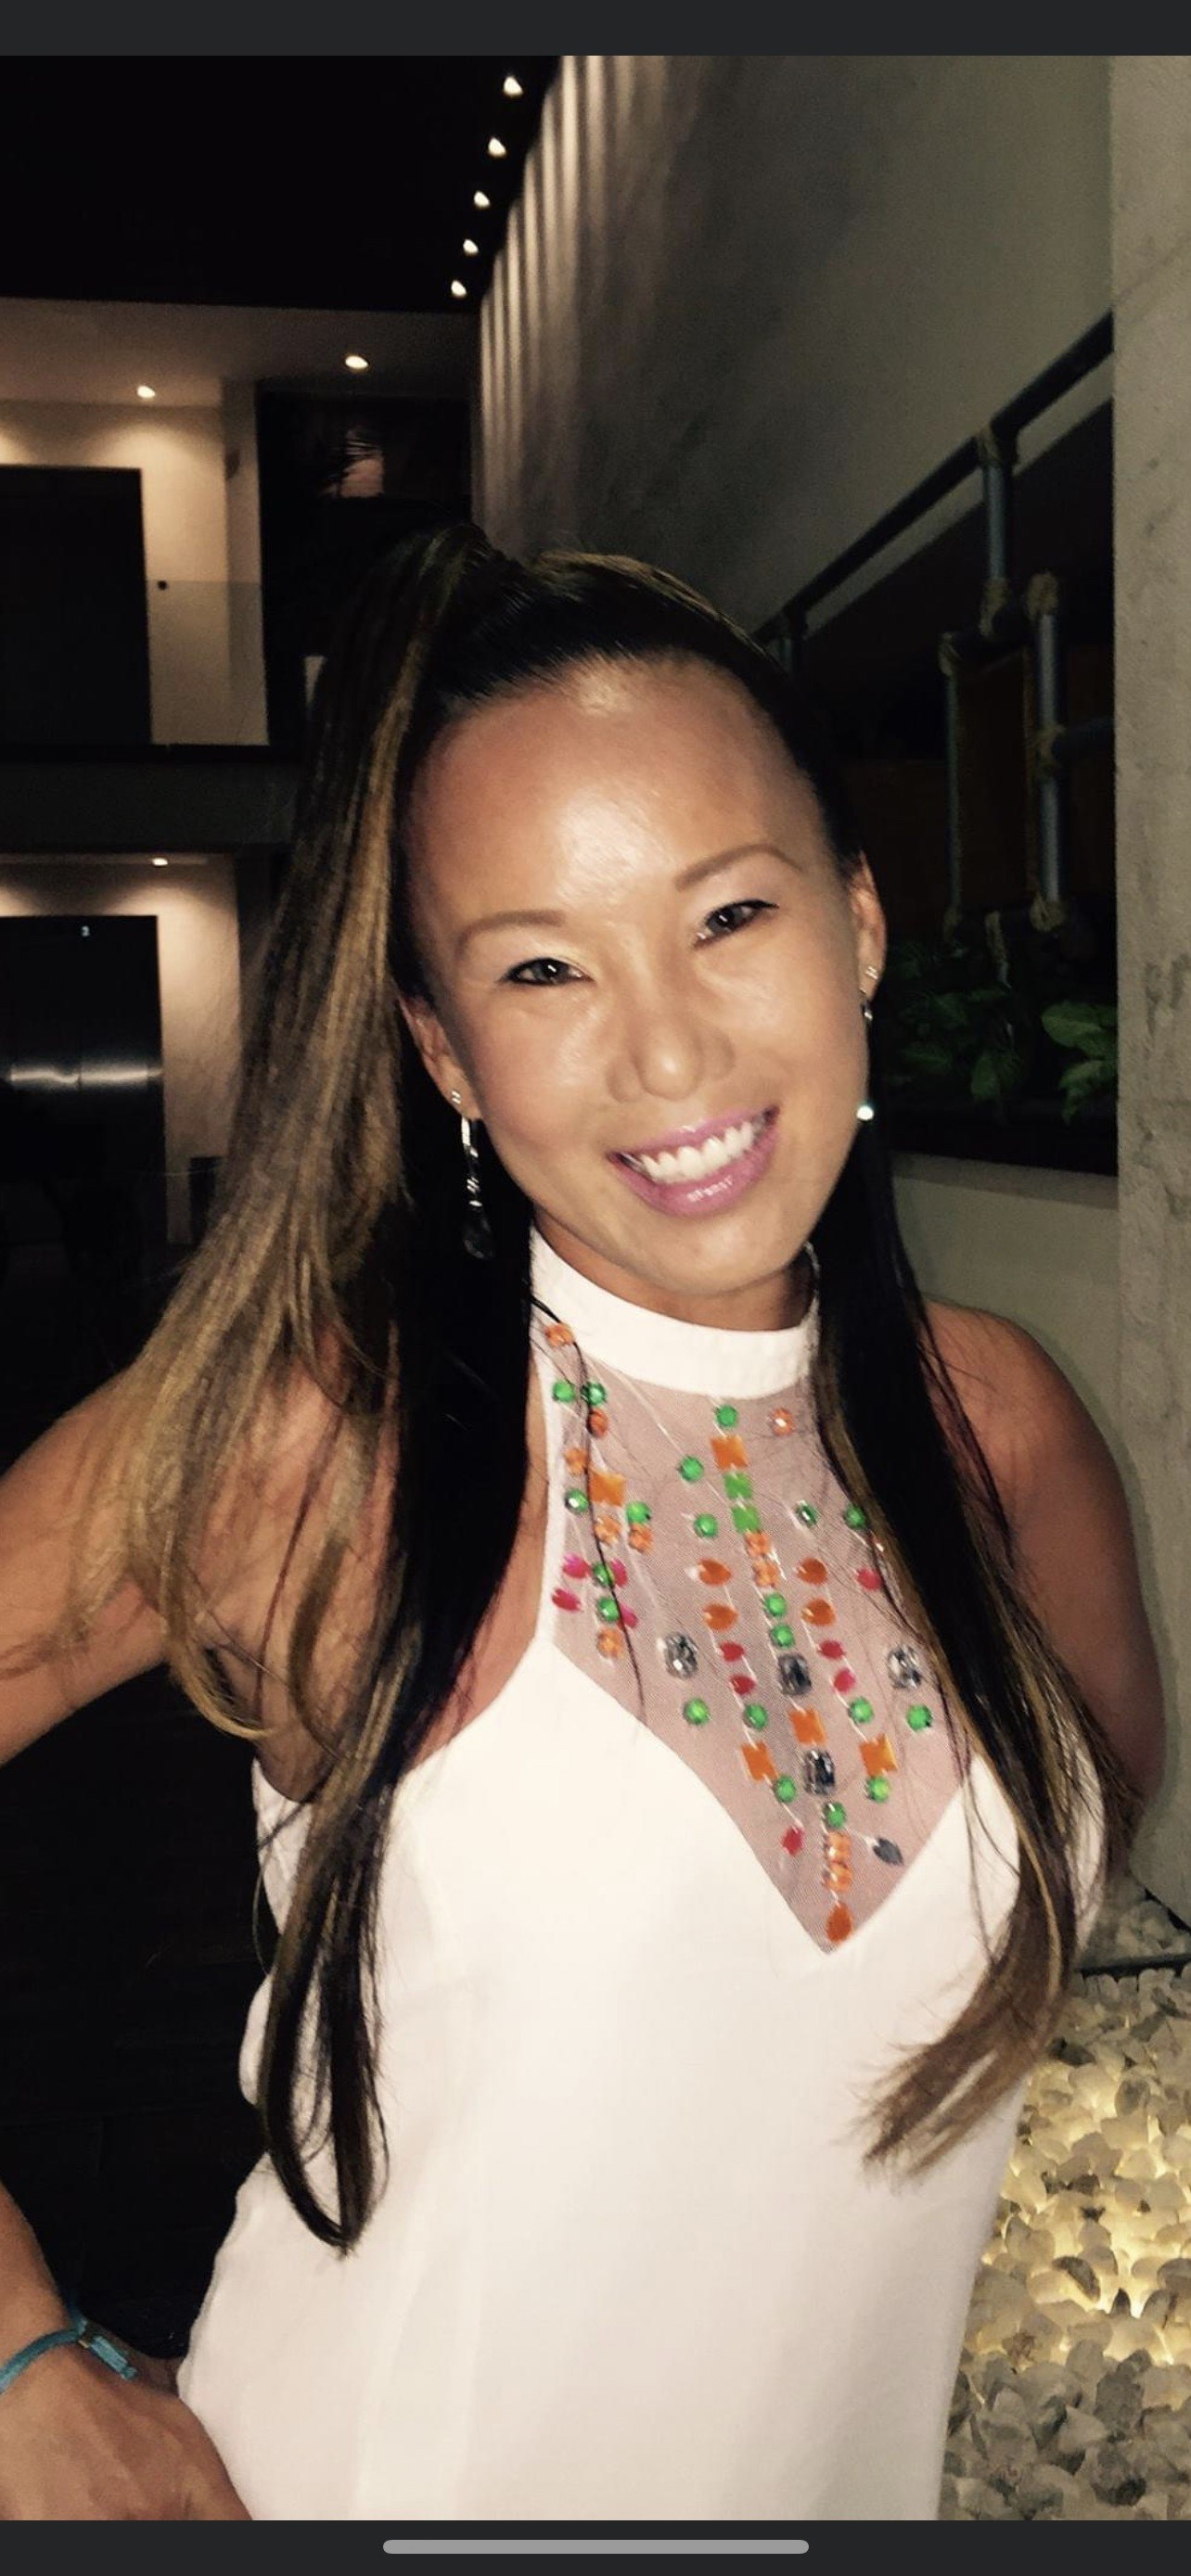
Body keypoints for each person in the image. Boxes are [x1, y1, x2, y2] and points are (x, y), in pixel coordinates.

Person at [0, 529, 1163, 2522]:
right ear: (444, 1050)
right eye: (544, 966)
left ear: (859, 925)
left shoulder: (1005, 1431)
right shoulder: (325, 1439)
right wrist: (24, 2369)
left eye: (730, 915)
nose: (669, 1050)